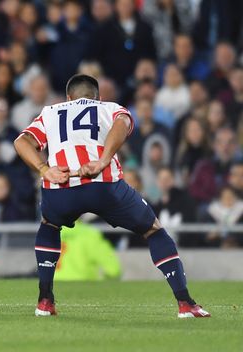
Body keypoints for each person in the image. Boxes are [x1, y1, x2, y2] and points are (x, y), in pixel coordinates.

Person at [14, 74, 210, 318]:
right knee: (154, 230)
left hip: (61, 184)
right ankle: (185, 304)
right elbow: (123, 124)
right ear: (98, 97)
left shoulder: (50, 112)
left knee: (50, 225)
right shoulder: (110, 108)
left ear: (68, 98)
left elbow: (22, 141)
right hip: (103, 184)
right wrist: (103, 160)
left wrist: (44, 170)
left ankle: (45, 301)